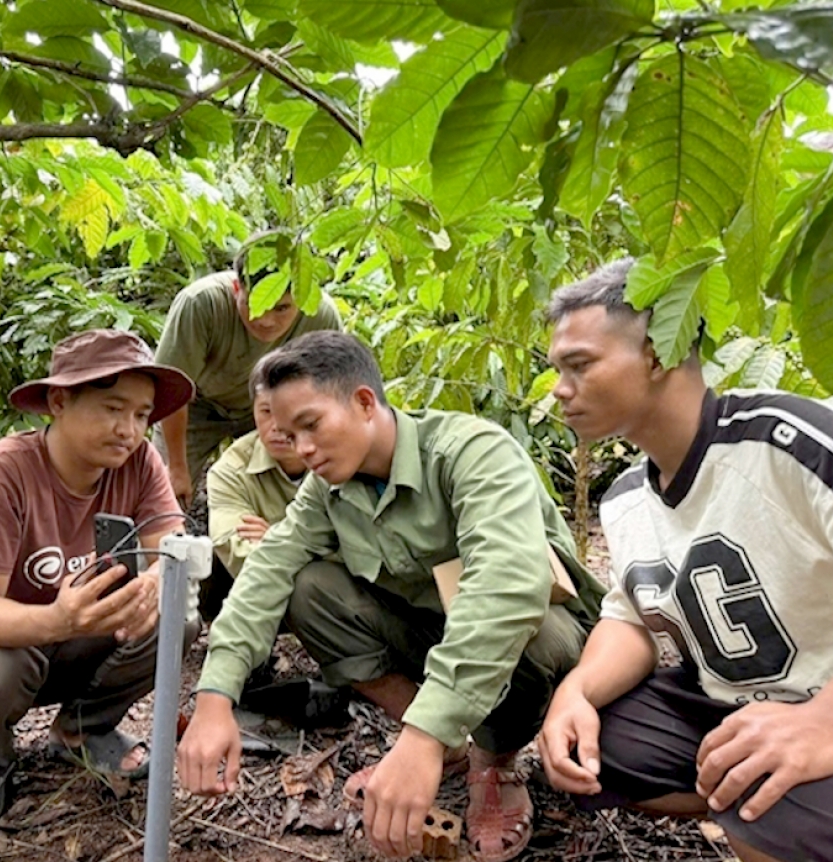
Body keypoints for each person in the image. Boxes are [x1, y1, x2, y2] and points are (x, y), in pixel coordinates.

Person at [177, 331, 604, 862]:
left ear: (363, 402)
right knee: (310, 590)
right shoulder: (327, 489)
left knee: (530, 629)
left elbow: (505, 592)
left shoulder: (470, 452)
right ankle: (444, 744)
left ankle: (493, 762)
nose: (302, 448)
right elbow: (269, 570)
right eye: (288, 433)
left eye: (311, 425)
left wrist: (420, 738)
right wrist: (215, 695)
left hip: (542, 639)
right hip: (431, 632)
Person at [539, 260, 833, 862]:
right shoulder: (626, 498)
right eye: (557, 370)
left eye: (580, 365)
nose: (560, 389)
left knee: (767, 796)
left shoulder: (788, 441)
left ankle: (814, 814)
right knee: (605, 745)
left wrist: (832, 720)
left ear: (656, 354)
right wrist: (577, 690)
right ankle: (784, 801)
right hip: (735, 701)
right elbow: (630, 618)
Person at [0, 330, 196, 823]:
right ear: (59, 401)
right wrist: (59, 619)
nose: (128, 430)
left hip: (85, 637)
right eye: (113, 408)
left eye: (140, 415)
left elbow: (173, 550)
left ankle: (82, 731)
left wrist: (155, 583)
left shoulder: (139, 463)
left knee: (180, 615)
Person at [153, 234, 342, 506]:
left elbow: (330, 395)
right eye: (256, 304)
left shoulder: (321, 316)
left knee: (293, 495)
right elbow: (172, 388)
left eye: (282, 308)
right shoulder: (201, 304)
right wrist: (177, 468)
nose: (266, 320)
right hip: (195, 406)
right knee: (164, 496)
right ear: (236, 288)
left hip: (274, 410)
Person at [207, 368, 308, 582]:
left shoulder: (339, 456)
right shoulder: (231, 471)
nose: (277, 426)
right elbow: (238, 553)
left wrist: (276, 537)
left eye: (290, 411)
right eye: (267, 412)